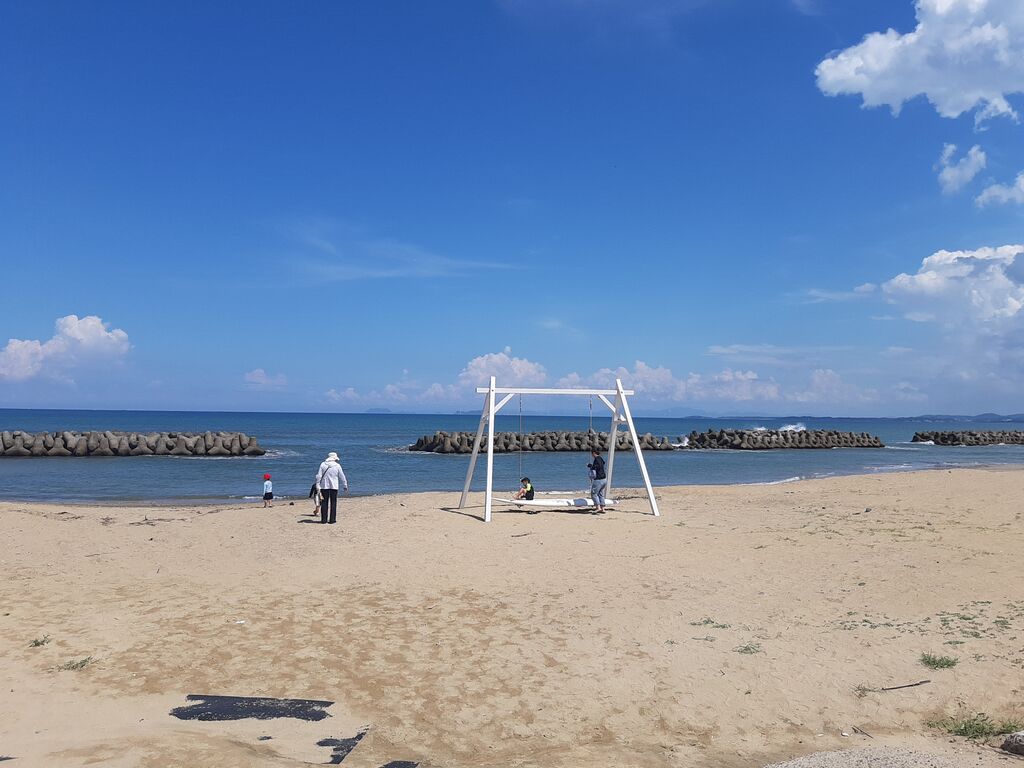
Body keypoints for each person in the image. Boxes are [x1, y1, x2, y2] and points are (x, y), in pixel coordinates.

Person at [315, 451, 348, 524]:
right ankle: (332, 520)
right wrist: (345, 485)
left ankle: (324, 520)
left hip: (324, 486)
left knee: (324, 502)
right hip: (334, 486)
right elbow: (342, 476)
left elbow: (319, 476)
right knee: (333, 503)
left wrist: (317, 484)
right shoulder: (337, 465)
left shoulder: (323, 464)